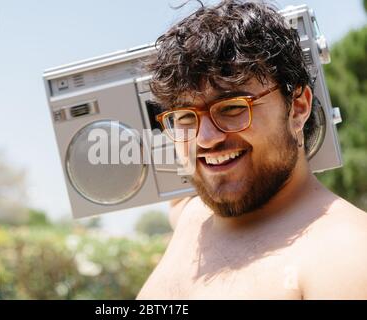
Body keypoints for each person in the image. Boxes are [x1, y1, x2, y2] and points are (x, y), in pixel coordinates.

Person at [137, 0, 367, 299]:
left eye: (232, 107)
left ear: (298, 107)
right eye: (184, 116)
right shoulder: (193, 217)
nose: (205, 139)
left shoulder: (346, 254)